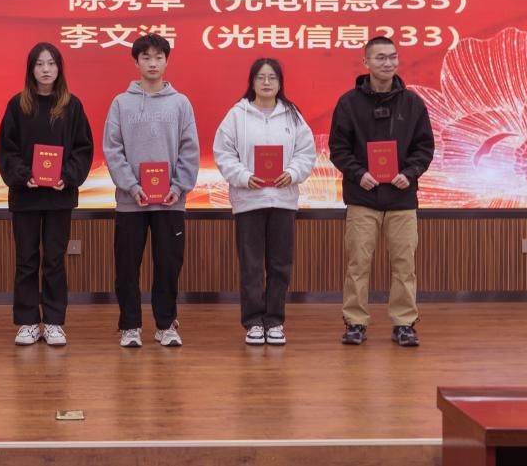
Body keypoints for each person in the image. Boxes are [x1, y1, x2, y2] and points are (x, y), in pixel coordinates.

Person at [328, 36, 434, 347]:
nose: (388, 63)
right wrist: (358, 174)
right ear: (366, 63)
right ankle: (355, 322)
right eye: (380, 58)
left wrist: (409, 173)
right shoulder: (348, 103)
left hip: (402, 199)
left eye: (392, 57)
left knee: (404, 265)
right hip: (362, 198)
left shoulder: (413, 103)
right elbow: (338, 148)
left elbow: (424, 147)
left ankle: (404, 323)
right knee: (358, 265)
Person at [102, 33, 199, 348]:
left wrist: (178, 187)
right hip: (131, 202)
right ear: (136, 62)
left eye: (159, 57)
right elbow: (113, 149)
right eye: (146, 57)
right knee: (127, 267)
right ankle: (130, 326)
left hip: (170, 202)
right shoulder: (121, 102)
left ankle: (166, 324)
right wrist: (131, 187)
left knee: (169, 266)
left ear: (167, 61)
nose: (153, 63)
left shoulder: (181, 103)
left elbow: (190, 150)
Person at [212, 58, 316, 346]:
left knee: (280, 264)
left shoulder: (292, 115)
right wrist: (244, 177)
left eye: (272, 77)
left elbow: (306, 152)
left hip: (283, 201)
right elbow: (223, 153)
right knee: (252, 266)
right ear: (252, 82)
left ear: (280, 82)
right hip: (249, 201)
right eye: (261, 77)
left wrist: (292, 172)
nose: (267, 82)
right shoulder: (237, 115)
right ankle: (253, 322)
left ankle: (275, 321)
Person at [0, 43, 94, 346]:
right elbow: (7, 150)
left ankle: (53, 322)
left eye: (51, 63)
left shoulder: (72, 106)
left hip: (58, 197)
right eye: (39, 64)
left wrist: (68, 176)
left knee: (54, 260)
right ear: (31, 69)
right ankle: (27, 322)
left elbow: (83, 148)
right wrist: (23, 175)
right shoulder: (17, 105)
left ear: (59, 68)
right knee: (26, 260)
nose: (46, 69)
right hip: (25, 196)